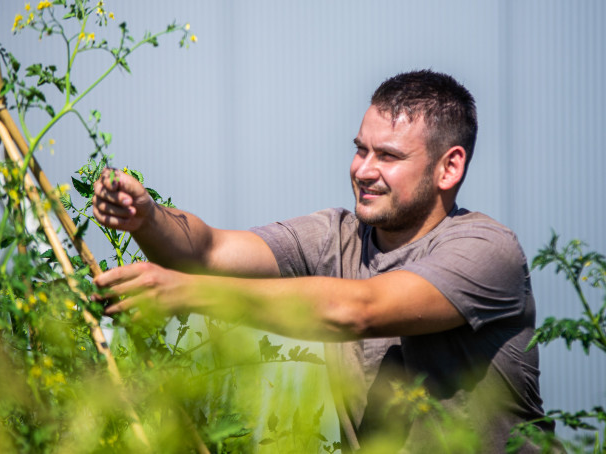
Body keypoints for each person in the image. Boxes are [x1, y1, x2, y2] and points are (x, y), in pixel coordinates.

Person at [91, 70, 556, 452]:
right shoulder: (335, 235)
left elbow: (358, 309)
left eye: (388, 156)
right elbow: (206, 251)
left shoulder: (485, 248)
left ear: (448, 168)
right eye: (360, 149)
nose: (363, 170)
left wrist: (188, 292)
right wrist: (147, 217)